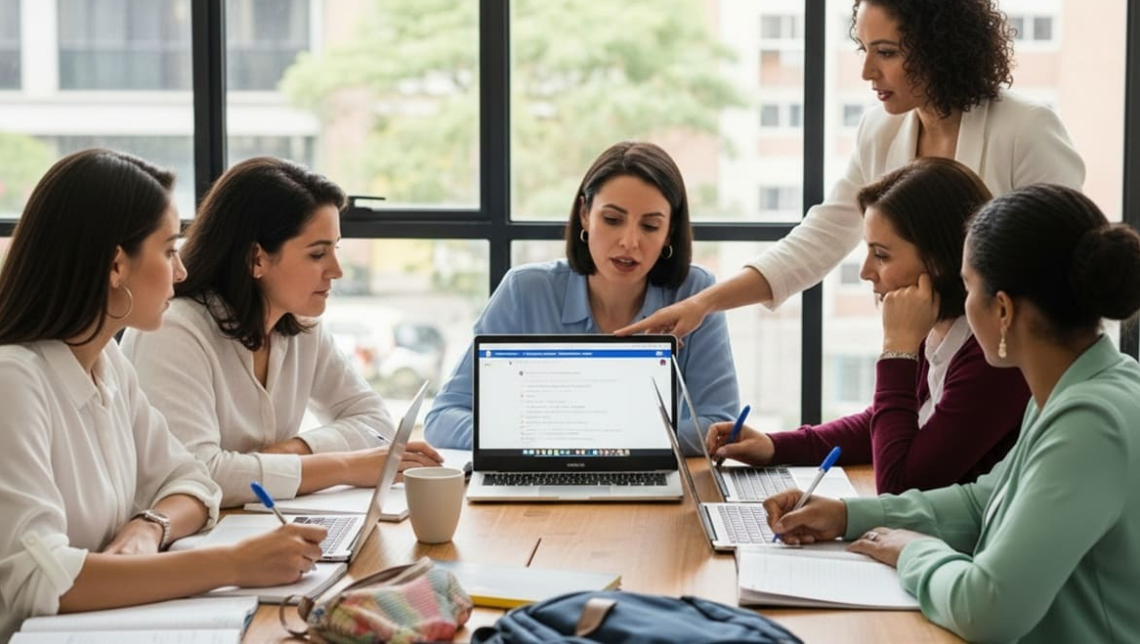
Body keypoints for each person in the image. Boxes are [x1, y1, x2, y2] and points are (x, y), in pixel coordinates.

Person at [620, 0, 1085, 339]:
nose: (867, 73)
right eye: (864, 51)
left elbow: (1063, 272)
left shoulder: (1026, 129)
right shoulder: (880, 131)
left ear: (941, 47)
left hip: (1016, 369)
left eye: (886, 53)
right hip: (928, 362)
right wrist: (703, 304)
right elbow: (824, 235)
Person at [765, 184, 1140, 643]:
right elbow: (984, 500)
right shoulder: (1079, 388)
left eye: (966, 286)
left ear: (1002, 309)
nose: (961, 303)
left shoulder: (1091, 422)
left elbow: (988, 610)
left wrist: (914, 552)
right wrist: (846, 515)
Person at [0, 150, 326, 641]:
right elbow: (39, 580)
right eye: (169, 249)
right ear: (116, 265)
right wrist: (235, 563)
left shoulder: (108, 366)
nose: (180, 272)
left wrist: (149, 525)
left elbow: (193, 481)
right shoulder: (14, 381)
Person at [123, 157, 440, 508]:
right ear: (255, 259)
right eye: (317, 254)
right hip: (182, 541)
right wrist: (345, 466)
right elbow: (199, 475)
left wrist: (291, 451)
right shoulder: (174, 330)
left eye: (335, 249)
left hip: (253, 525)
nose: (336, 271)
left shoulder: (300, 326)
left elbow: (375, 421)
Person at [707, 158, 1030, 493]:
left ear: (938, 261)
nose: (865, 271)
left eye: (882, 255)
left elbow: (898, 486)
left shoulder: (992, 356)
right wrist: (774, 447)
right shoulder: (939, 328)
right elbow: (882, 422)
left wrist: (898, 350)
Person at [424, 141, 739, 454]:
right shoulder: (524, 290)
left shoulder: (695, 293)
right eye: (612, 220)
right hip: (539, 471)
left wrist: (591, 439)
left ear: (669, 232)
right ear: (586, 214)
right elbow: (444, 418)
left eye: (650, 226)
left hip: (648, 480)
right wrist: (543, 441)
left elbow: (719, 425)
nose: (630, 242)